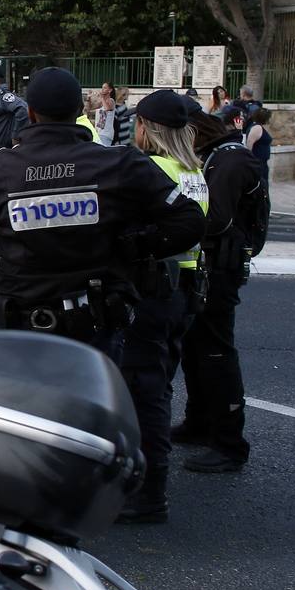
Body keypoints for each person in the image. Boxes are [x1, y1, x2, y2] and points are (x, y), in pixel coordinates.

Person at [0, 68, 206, 361]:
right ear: (80, 111)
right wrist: (129, 248)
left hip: (24, 324)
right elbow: (190, 221)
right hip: (94, 329)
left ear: (30, 113)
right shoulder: (119, 164)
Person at [114, 91, 209, 525]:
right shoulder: (193, 170)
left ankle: (148, 493)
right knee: (159, 384)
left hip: (156, 289)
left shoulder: (154, 169)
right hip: (186, 288)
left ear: (147, 129)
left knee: (144, 390)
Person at [171, 107, 270, 476]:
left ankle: (230, 443)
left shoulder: (229, 161)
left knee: (215, 352)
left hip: (220, 269)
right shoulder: (217, 155)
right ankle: (198, 422)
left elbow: (216, 219)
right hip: (210, 267)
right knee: (195, 348)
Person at [243, 107, 273, 178]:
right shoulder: (257, 128)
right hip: (257, 163)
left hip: (262, 163)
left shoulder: (258, 127)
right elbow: (249, 145)